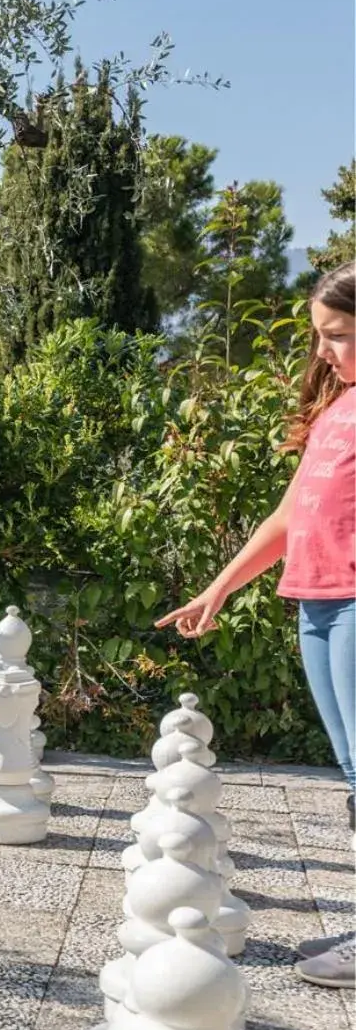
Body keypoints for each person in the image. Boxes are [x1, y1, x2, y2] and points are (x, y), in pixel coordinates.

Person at [156, 261, 355, 989]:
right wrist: (216, 591)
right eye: (319, 337)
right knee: (354, 771)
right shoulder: (337, 412)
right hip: (317, 603)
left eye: (336, 334)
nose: (324, 352)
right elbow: (286, 516)